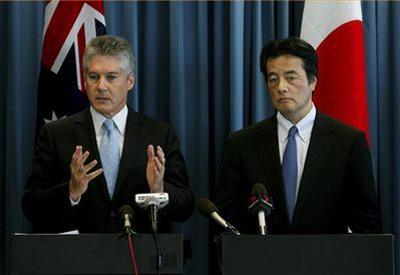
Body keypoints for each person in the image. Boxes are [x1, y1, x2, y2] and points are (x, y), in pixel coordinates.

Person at [22, 35, 194, 233]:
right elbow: (31, 205)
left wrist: (159, 190)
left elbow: (186, 206)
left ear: (130, 81)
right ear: (85, 81)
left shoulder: (159, 134)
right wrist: (72, 190)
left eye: (111, 77)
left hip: (139, 257)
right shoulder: (57, 134)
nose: (101, 86)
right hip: (77, 258)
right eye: (94, 77)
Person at [215, 37, 381, 234]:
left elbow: (367, 223)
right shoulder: (241, 144)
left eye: (291, 77)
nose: (281, 87)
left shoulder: (347, 142)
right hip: (262, 262)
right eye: (273, 79)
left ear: (312, 81)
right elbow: (226, 221)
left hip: (328, 261)